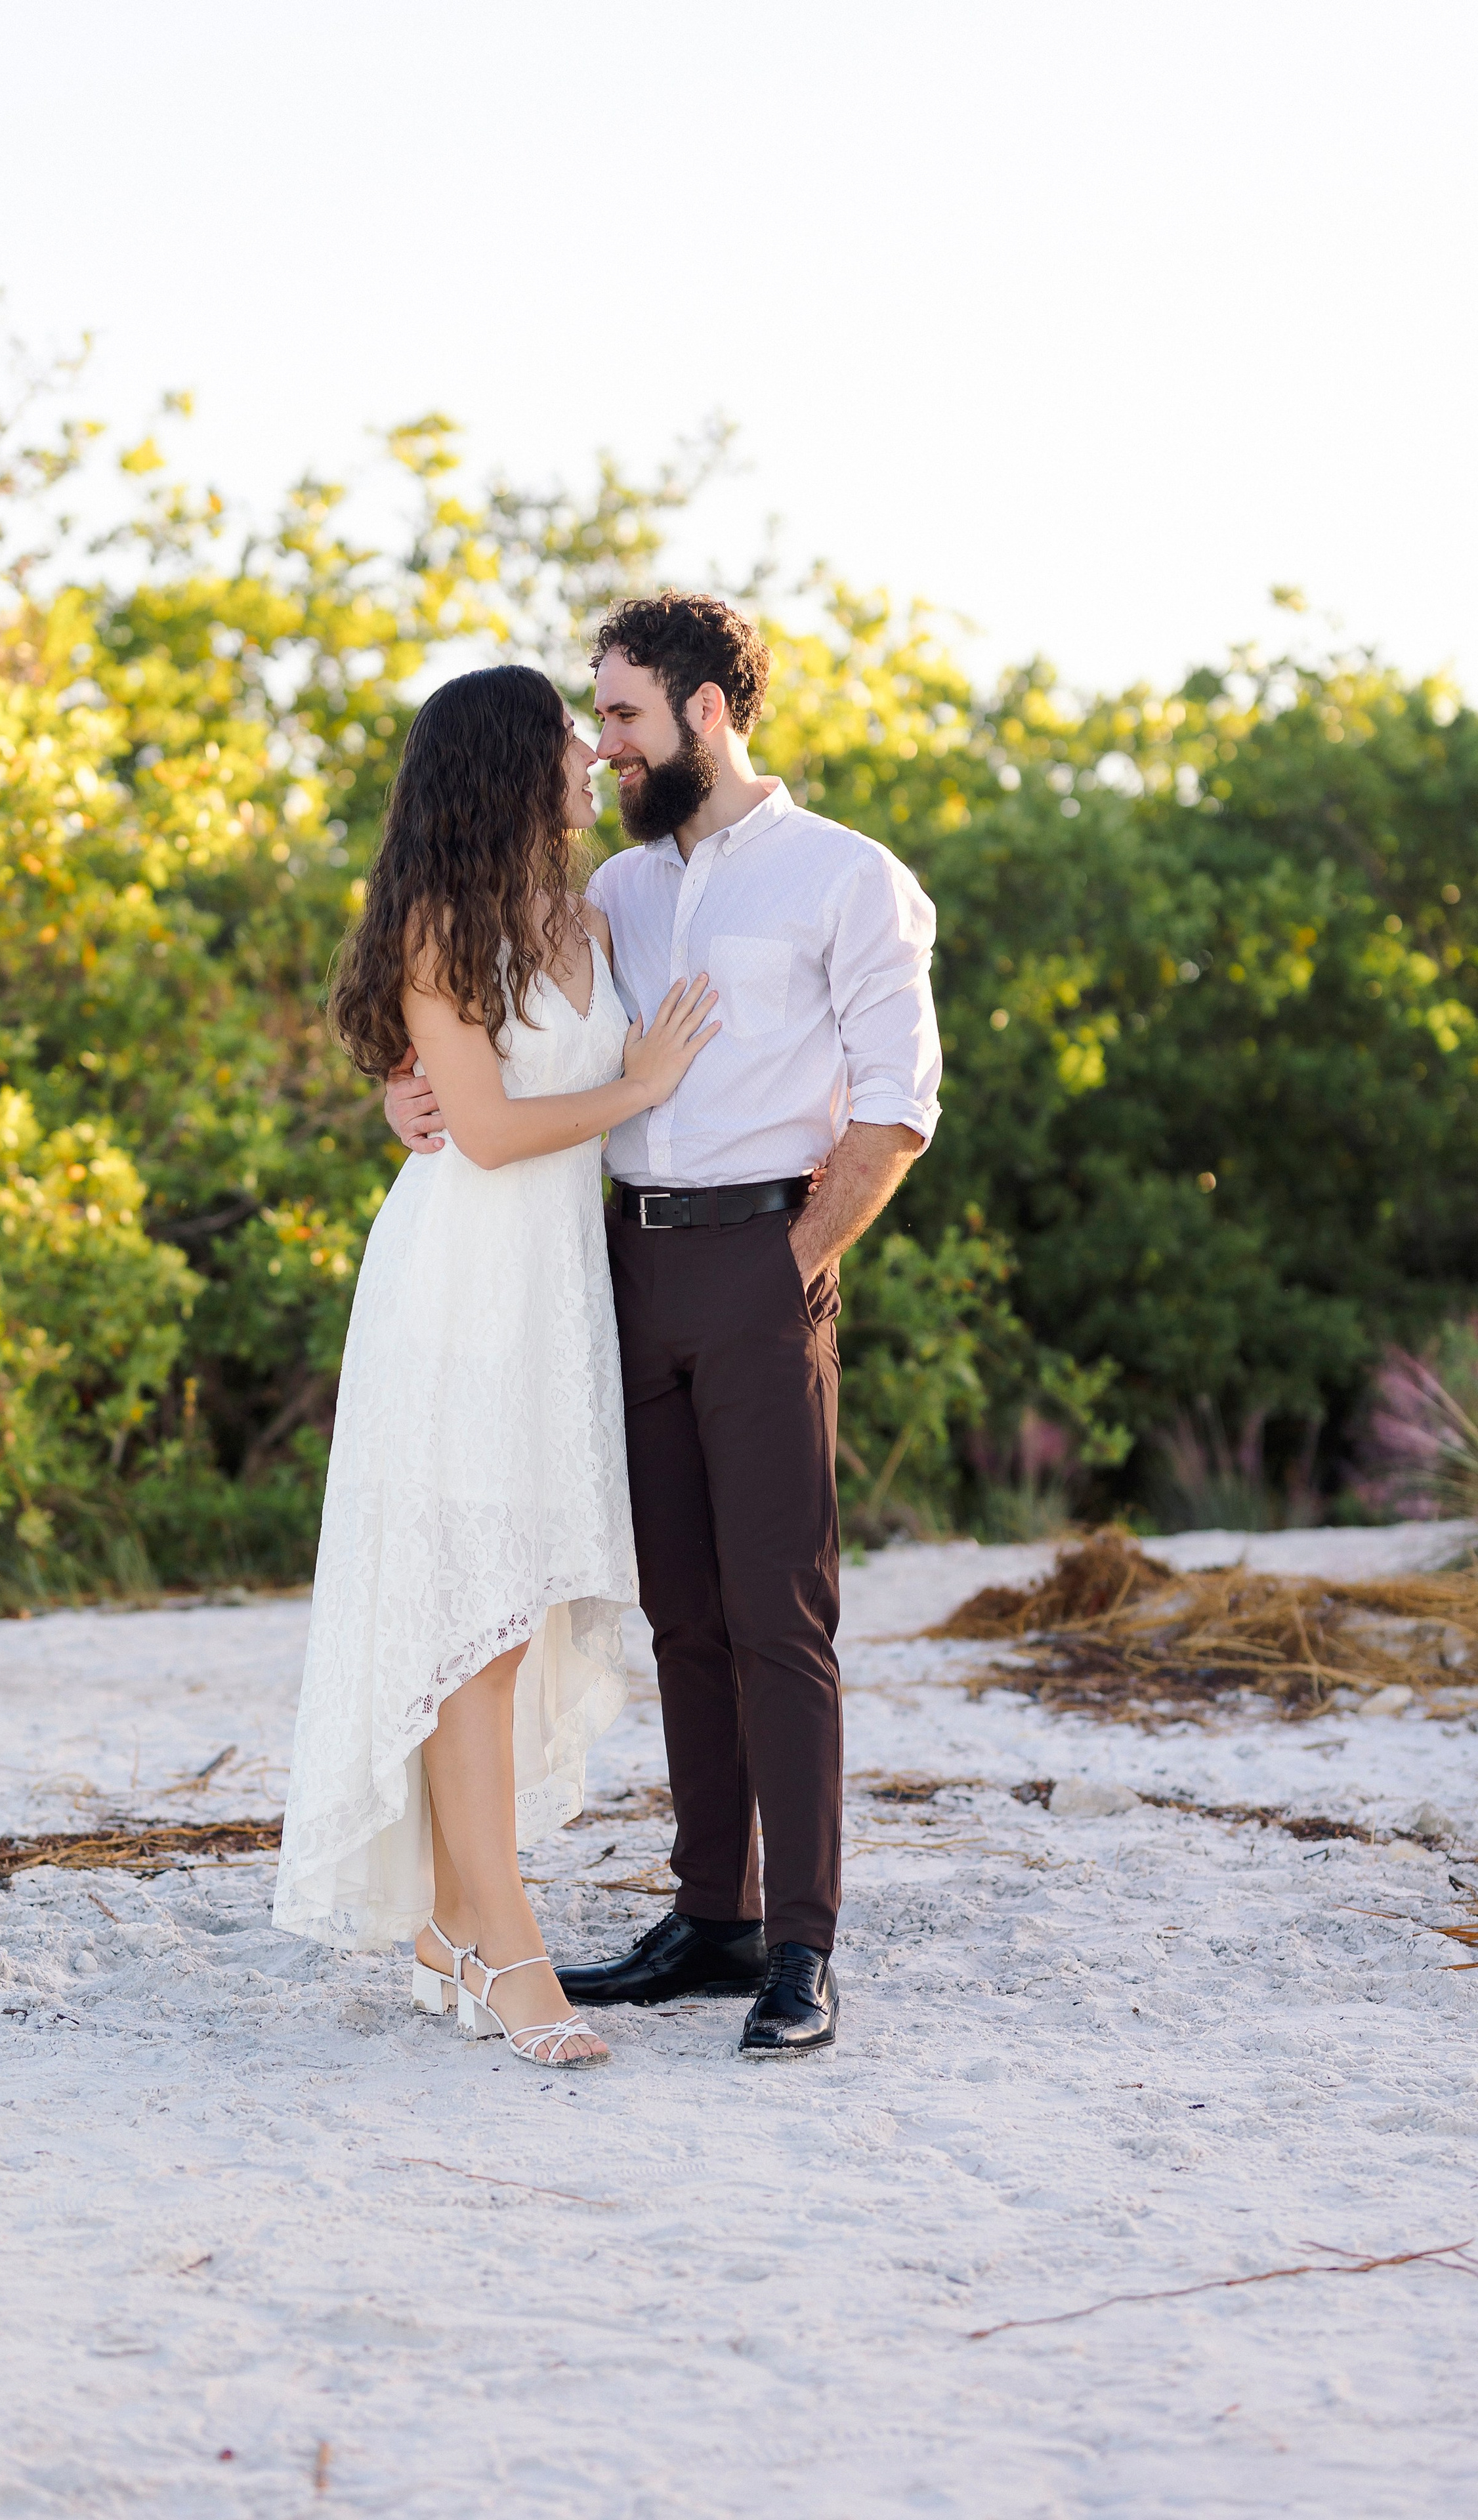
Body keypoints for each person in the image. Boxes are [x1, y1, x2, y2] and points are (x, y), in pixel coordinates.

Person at [386, 595, 942, 2057]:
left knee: (780, 1614)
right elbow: (481, 1023)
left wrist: (794, 1264)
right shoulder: (612, 893)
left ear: (704, 710)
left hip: (762, 1261)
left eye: (621, 716)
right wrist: (405, 1094)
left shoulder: (845, 878)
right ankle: (712, 1913)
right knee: (679, 1613)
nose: (604, 746)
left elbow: (893, 1113)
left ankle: (800, 1947)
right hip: (613, 1272)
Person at [272, 663, 719, 2070]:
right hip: (458, 1292)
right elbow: (480, 1130)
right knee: (469, 1628)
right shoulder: (438, 921)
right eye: (569, 745)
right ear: (506, 769)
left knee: (508, 1621)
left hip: (551, 1297)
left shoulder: (583, 914)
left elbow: (473, 1103)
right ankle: (509, 1952)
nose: (591, 760)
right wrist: (636, 1087)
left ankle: (453, 1925)